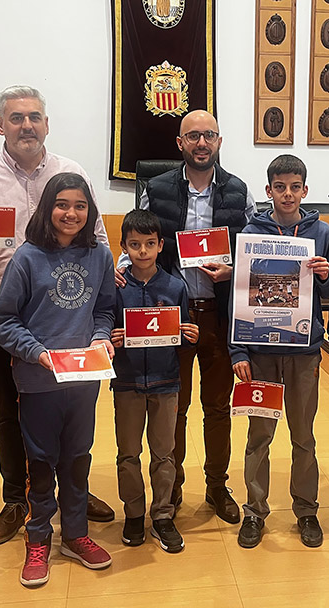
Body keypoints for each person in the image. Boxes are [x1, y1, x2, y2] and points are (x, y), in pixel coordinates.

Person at [0, 85, 114, 549]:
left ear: (47, 124)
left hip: (66, 326)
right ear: (0, 125)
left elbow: (98, 239)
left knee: (70, 414)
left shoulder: (72, 173)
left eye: (34, 117)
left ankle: (72, 495)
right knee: (11, 415)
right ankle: (17, 500)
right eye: (16, 118)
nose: (26, 125)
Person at [116, 109, 255, 524]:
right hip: (169, 315)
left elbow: (253, 250)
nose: (201, 143)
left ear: (219, 141)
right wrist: (121, 268)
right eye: (193, 136)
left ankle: (217, 486)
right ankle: (171, 487)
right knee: (172, 406)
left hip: (218, 315)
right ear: (180, 143)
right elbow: (138, 237)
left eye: (209, 135)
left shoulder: (239, 191)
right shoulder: (155, 189)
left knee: (218, 407)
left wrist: (234, 270)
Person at [0, 173, 115, 587]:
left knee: (77, 460)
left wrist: (100, 338)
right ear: (47, 208)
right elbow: (3, 321)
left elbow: (105, 309)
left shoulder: (99, 255)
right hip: (39, 381)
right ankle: (39, 537)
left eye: (80, 205)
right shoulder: (26, 258)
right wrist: (38, 353)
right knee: (41, 464)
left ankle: (75, 535)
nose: (71, 213)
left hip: (84, 380)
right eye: (62, 204)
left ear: (89, 211)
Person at [230, 154, 329, 548]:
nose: (288, 194)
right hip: (260, 351)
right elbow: (238, 294)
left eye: (295, 187)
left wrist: (326, 276)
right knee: (259, 434)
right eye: (280, 187)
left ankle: (306, 510)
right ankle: (254, 511)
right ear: (269, 190)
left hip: (303, 351)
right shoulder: (251, 232)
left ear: (305, 190)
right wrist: (237, 351)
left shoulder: (322, 233)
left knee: (303, 435)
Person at [109, 209, 200, 553]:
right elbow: (103, 328)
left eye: (149, 244)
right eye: (134, 245)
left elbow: (183, 334)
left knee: (164, 454)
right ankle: (134, 514)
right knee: (128, 453)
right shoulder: (116, 288)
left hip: (166, 383)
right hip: (127, 383)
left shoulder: (175, 287)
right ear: (124, 247)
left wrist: (190, 335)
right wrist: (112, 339)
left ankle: (162, 515)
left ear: (161, 245)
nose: (143, 251)